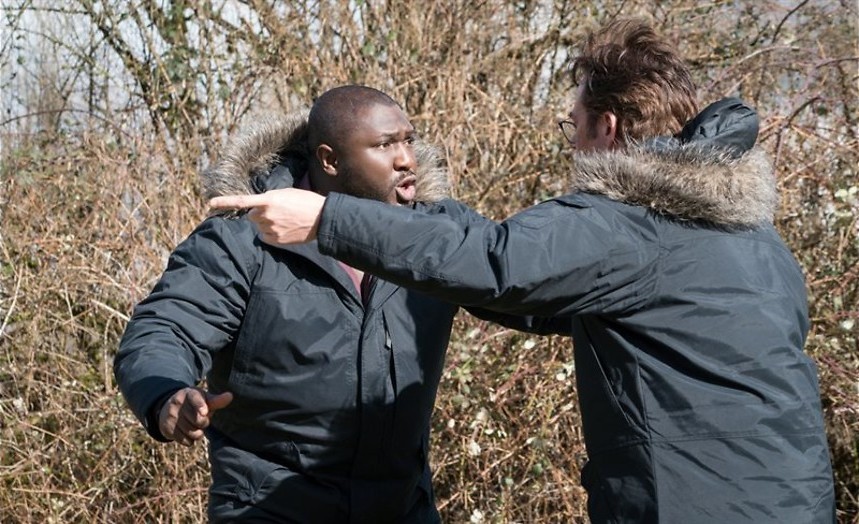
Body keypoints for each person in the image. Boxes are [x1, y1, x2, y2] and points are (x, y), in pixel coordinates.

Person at [210, 19, 836, 523]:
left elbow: (497, 261)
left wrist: (329, 220)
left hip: (689, 502)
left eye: (574, 126)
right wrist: (426, 247)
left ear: (608, 128)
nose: (571, 144)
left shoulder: (627, 223)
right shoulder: (753, 234)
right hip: (794, 495)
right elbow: (540, 297)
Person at [115, 85, 556, 523]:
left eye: (408, 140)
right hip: (271, 509)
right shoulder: (243, 238)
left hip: (402, 509)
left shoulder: (436, 235)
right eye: (385, 145)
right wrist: (165, 395)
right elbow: (164, 328)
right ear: (328, 160)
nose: (406, 158)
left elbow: (527, 290)